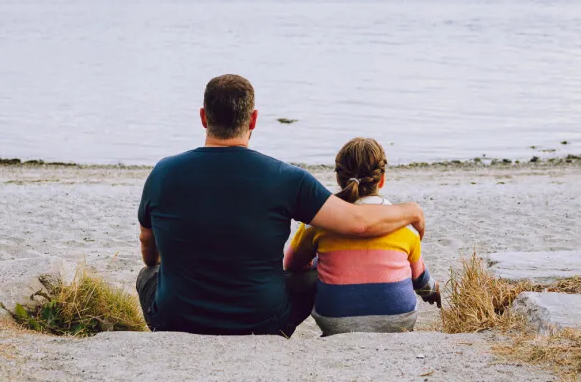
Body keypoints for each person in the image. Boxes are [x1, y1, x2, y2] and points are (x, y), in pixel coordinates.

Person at [136, 74, 425, 337]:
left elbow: (148, 249)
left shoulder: (162, 173)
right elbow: (359, 222)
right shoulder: (287, 178)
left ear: (203, 117)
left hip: (175, 319)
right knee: (311, 277)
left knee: (147, 275)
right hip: (264, 321)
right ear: (253, 120)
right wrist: (411, 210)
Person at [284, 138, 439, 335]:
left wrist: (320, 263)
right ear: (381, 179)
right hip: (400, 318)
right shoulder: (406, 224)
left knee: (313, 265)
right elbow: (419, 277)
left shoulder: (319, 222)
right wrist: (433, 290)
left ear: (339, 179)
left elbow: (292, 265)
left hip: (334, 320)